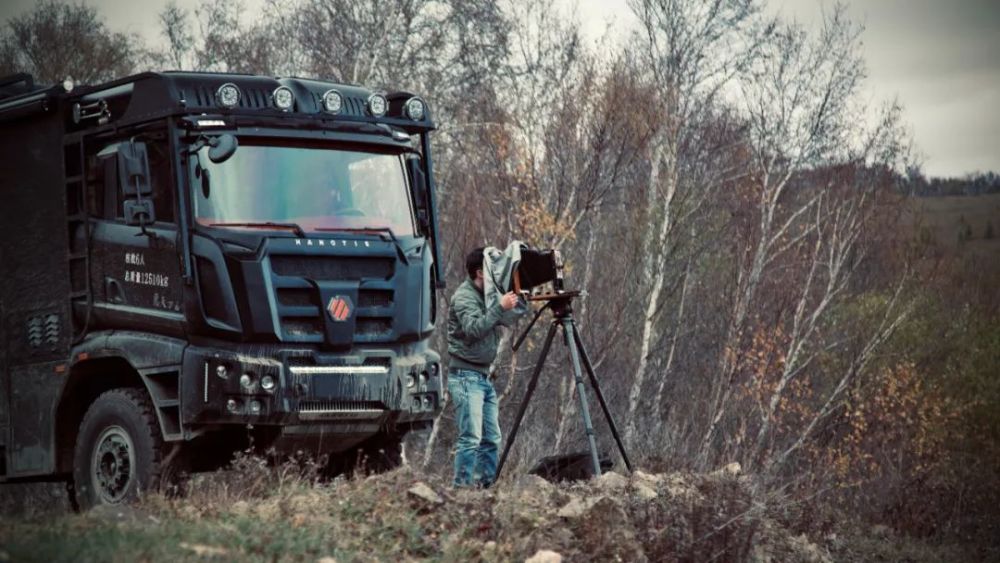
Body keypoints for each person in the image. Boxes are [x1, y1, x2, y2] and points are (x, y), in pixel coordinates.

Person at [447, 247, 519, 487]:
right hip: (466, 376)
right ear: (480, 272)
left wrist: (512, 301)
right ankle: (461, 493)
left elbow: (506, 318)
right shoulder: (465, 297)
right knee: (471, 438)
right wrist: (499, 306)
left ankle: (484, 490)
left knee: (491, 438)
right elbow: (474, 329)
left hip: (482, 377)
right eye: (491, 270)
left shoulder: (487, 294)